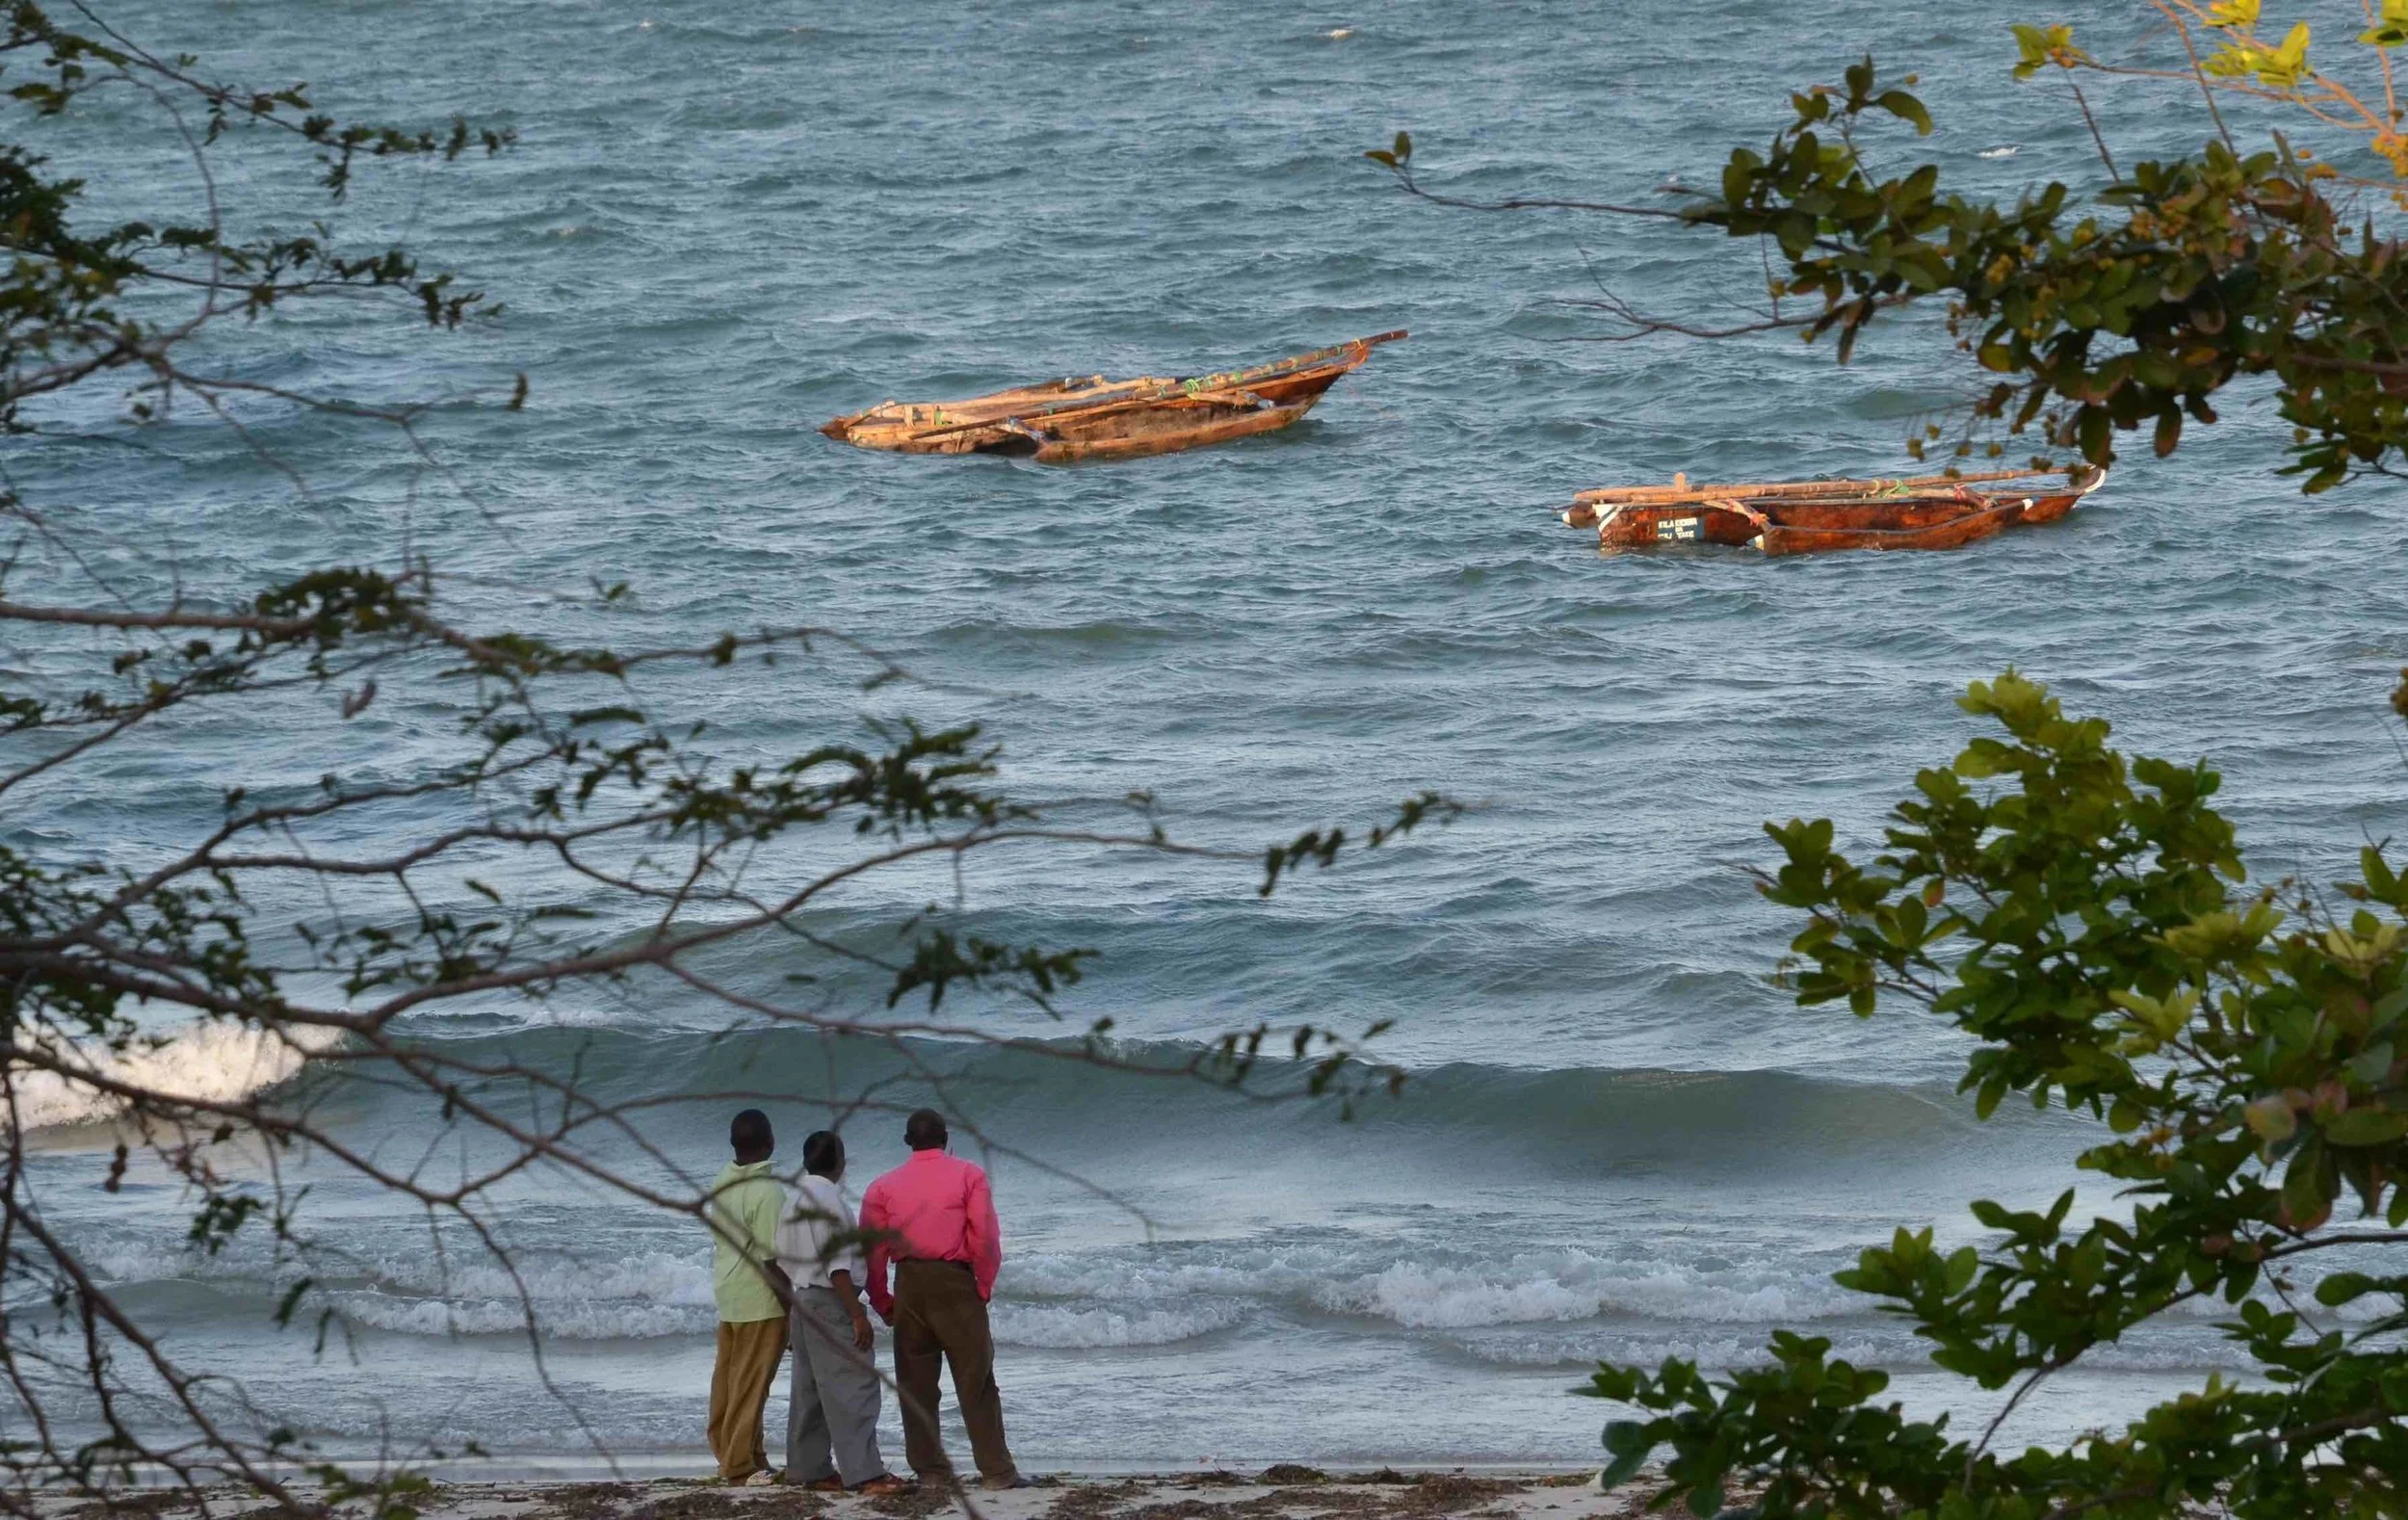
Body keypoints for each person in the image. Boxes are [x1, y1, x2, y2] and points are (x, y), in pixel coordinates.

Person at [858, 1109, 1024, 1490]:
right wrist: (983, 1284)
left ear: (907, 1142)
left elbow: (872, 1251)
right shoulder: (968, 1175)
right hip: (955, 1282)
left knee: (916, 1384)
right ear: (946, 1138)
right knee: (976, 1379)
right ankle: (997, 1472)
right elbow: (983, 1236)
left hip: (910, 1283)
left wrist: (884, 1300)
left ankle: (931, 1471)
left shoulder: (882, 1187)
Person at [774, 1131, 908, 1496]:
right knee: (855, 1387)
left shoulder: (793, 1199)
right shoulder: (829, 1199)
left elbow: (780, 1262)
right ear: (840, 1163)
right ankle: (866, 1474)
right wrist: (857, 1315)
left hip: (801, 1300)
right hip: (831, 1299)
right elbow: (837, 1268)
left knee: (809, 1391)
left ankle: (809, 1469)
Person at [706, 1109, 791, 1483]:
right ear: (770, 1142)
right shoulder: (769, 1192)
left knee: (729, 1380)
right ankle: (739, 1465)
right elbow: (773, 1260)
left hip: (728, 1289)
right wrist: (794, 1306)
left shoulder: (723, 1180)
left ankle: (743, 1454)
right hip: (760, 1297)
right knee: (752, 1385)